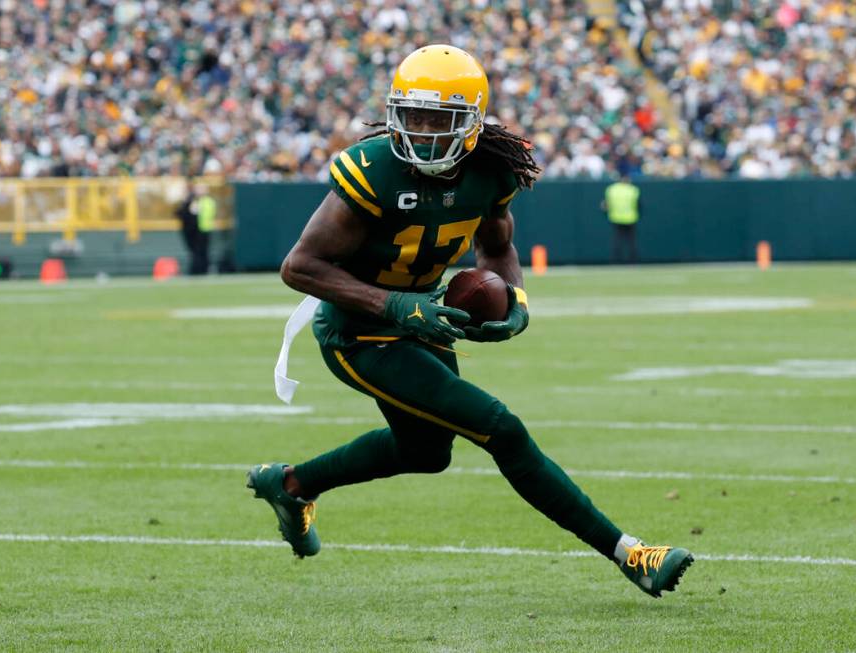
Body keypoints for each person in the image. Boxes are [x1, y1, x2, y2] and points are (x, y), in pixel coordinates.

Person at [248, 45, 692, 598]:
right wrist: (393, 306)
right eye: (414, 116)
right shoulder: (372, 171)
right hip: (359, 333)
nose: (426, 131)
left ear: (474, 123)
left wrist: (516, 300)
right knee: (500, 427)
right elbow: (300, 266)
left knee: (426, 454)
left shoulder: (491, 169)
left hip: (423, 318)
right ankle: (632, 555)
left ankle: (290, 485)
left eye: (441, 119)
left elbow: (496, 246)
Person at [603, 175, 641, 263]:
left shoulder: (612, 189)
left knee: (617, 241)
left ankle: (616, 261)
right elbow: (639, 204)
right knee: (631, 241)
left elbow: (606, 204)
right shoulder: (633, 189)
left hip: (616, 218)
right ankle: (632, 261)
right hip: (630, 218)